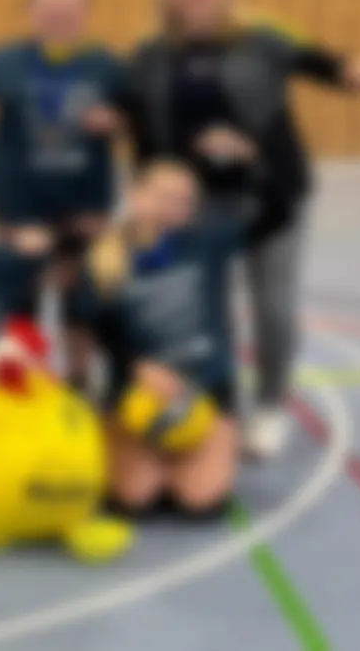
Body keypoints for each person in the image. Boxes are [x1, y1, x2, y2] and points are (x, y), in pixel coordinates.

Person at [120, 0, 360, 462]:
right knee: (201, 307)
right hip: (191, 205)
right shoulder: (150, 57)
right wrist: (146, 191)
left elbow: (315, 61)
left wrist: (349, 72)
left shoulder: (261, 40)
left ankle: (268, 406)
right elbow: (140, 128)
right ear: (167, 0)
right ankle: (213, 403)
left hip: (269, 194)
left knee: (273, 307)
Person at [70, 160, 242, 520]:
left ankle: (204, 446)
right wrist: (136, 367)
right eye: (162, 197)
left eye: (183, 201)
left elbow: (275, 210)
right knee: (134, 498)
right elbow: (91, 327)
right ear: (135, 196)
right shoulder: (107, 255)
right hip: (138, 392)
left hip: (204, 388)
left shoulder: (209, 241)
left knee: (198, 500)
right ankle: (145, 454)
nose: (172, 208)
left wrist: (242, 157)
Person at [0, 0, 125, 369]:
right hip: (20, 208)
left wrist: (116, 121)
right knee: (17, 303)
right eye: (48, 7)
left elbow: (140, 122)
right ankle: (20, 388)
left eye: (68, 8)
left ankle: (79, 385)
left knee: (80, 303)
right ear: (30, 12)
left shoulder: (108, 66)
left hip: (84, 208)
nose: (58, 16)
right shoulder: (1, 62)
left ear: (86, 13)